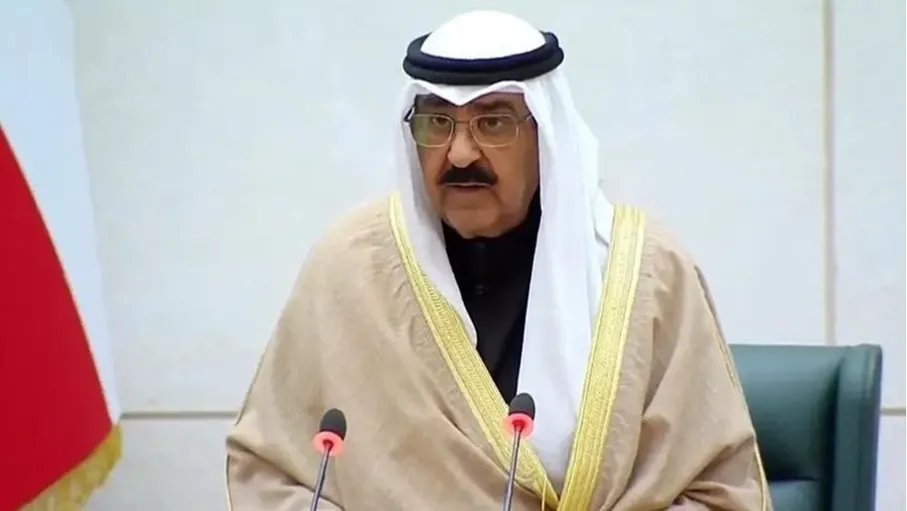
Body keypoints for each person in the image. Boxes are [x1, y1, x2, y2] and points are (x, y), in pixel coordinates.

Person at [225, 10, 771, 511]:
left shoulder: (645, 275)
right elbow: (272, 475)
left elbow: (719, 491)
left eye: (493, 123)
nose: (460, 153)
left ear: (545, 135)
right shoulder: (348, 268)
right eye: (436, 123)